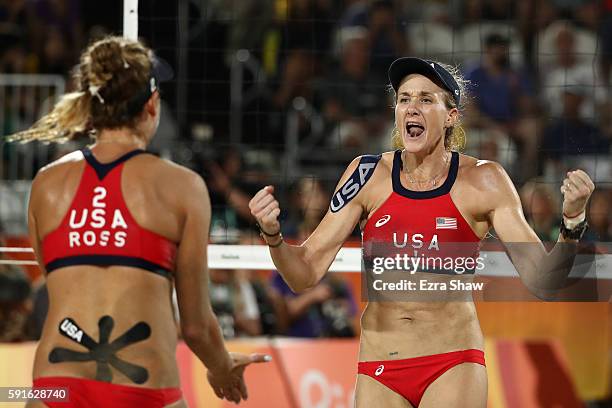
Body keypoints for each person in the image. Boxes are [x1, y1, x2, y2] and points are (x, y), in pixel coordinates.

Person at [250, 57, 594, 407]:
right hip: (379, 365)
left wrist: (572, 222)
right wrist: (273, 236)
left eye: (426, 100)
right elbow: (304, 274)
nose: (412, 108)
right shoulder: (366, 173)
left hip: (452, 362)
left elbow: (543, 281)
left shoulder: (484, 180)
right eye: (404, 99)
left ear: (451, 116)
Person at [8, 36, 268, 408]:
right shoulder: (182, 186)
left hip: (55, 388)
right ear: (152, 103)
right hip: (143, 387)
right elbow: (195, 325)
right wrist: (221, 367)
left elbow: (57, 282)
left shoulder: (46, 184)